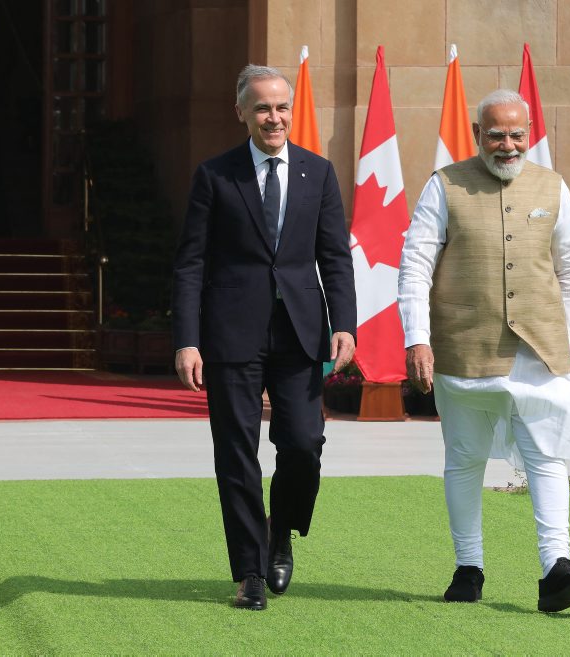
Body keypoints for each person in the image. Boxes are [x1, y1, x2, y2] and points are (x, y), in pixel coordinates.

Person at [398, 89, 570, 613]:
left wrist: (566, 339)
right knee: (465, 457)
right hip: (463, 348)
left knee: (547, 452)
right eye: (496, 134)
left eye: (517, 134)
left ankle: (556, 570)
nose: (508, 144)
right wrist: (417, 338)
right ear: (478, 134)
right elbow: (415, 266)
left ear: (530, 133)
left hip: (539, 350)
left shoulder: (553, 185)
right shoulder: (444, 184)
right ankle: (468, 567)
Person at [172, 65, 356, 611]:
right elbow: (190, 263)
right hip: (230, 334)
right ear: (242, 113)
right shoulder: (215, 175)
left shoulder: (318, 172)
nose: (273, 118)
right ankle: (249, 571)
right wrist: (187, 339)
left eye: (281, 107)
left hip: (300, 332)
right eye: (262, 108)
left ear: (290, 111)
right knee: (236, 453)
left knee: (303, 443)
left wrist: (345, 323)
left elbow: (334, 256)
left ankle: (282, 530)